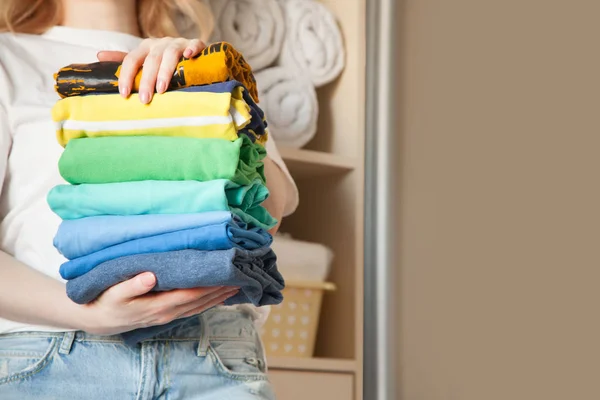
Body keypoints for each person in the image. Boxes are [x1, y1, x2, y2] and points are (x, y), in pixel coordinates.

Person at [0, 0, 299, 398]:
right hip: (52, 358)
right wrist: (87, 313)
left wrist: (201, 79)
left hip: (213, 357)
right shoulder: (8, 58)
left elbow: (265, 213)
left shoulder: (207, 63)